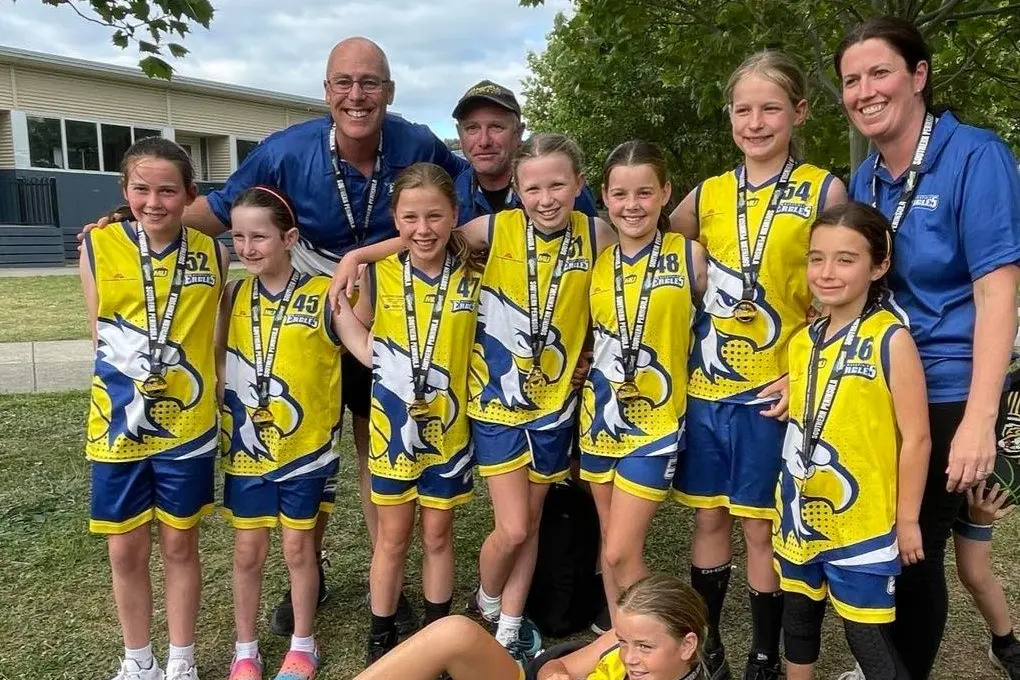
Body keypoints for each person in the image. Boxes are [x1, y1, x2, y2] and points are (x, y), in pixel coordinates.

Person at [333, 133, 617, 662]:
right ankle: (485, 602)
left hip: (555, 405)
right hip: (491, 404)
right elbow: (425, 233)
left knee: (530, 522)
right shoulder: (492, 229)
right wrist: (360, 254)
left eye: (559, 184)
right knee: (510, 527)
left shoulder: (597, 234)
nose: (547, 197)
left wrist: (591, 354)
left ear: (580, 184)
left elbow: (625, 288)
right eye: (533, 186)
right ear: (516, 187)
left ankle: (509, 622)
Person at [835, 16, 1020, 678]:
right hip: (882, 383)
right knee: (883, 533)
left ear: (919, 75)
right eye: (851, 80)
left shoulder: (977, 156)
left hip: (950, 386)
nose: (864, 91)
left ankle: (899, 669)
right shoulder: (865, 181)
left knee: (916, 541)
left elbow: (999, 295)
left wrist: (978, 419)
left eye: (880, 72)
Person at [668, 50, 847, 680]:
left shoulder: (824, 188)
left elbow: (843, 289)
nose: (755, 121)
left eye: (770, 108)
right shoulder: (710, 193)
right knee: (709, 514)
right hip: (707, 386)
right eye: (743, 109)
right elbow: (664, 237)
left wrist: (804, 373)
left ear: (798, 112)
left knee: (759, 526)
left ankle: (765, 650)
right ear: (730, 117)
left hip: (776, 388)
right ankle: (710, 639)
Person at [80, 137, 229, 680]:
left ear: (189, 195)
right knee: (125, 550)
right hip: (117, 423)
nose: (154, 201)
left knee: (179, 544)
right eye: (141, 189)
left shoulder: (213, 252)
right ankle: (137, 660)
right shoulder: (98, 245)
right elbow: (97, 329)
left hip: (187, 429)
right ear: (125, 191)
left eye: (168, 190)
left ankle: (181, 661)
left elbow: (215, 339)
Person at [332, 163, 484, 663]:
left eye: (436, 216)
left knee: (439, 535)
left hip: (449, 429)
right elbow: (351, 323)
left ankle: (436, 638)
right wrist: (367, 350)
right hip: (391, 432)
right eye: (411, 217)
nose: (424, 229)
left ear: (455, 215)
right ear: (395, 220)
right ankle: (381, 638)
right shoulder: (378, 272)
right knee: (393, 539)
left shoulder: (472, 269)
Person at [774, 201, 929, 680]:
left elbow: (917, 438)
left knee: (866, 637)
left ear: (878, 265)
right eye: (817, 258)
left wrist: (906, 521)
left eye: (846, 259)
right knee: (798, 620)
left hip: (862, 524)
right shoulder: (802, 341)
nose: (826, 272)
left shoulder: (891, 339)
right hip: (799, 514)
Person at [578, 140, 707, 629]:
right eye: (620, 194)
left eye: (644, 193)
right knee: (611, 552)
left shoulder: (691, 257)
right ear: (605, 198)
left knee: (619, 550)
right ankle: (621, 642)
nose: (632, 205)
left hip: (655, 422)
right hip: (599, 417)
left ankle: (673, 640)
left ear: (666, 193)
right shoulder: (597, 259)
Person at [217, 186, 344, 680]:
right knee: (248, 552)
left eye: (260, 237)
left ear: (289, 238)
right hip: (247, 447)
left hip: (306, 450)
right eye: (239, 237)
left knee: (298, 548)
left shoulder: (324, 293)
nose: (248, 247)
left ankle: (302, 644)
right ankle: (244, 649)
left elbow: (359, 341)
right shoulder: (231, 294)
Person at [351, 573, 707, 680]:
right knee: (454, 632)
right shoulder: (627, 643)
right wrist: (557, 675)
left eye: (644, 646)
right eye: (624, 641)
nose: (629, 656)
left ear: (687, 645)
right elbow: (560, 664)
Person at [451, 80, 598, 222]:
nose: (484, 142)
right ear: (459, 134)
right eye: (472, 128)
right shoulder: (453, 193)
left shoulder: (562, 187)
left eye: (496, 127)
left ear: (519, 132)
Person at [954, 481, 1020, 679]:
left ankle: (1005, 645)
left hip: (972, 491)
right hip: (919, 476)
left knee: (974, 573)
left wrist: (1004, 496)